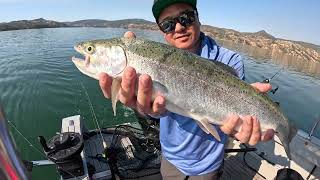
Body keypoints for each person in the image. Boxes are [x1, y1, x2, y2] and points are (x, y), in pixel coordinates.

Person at [99, 0, 275, 179]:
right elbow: (158, 109)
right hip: (170, 158)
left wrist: (248, 112)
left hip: (208, 163)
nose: (178, 28)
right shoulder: (154, 59)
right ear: (162, 32)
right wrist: (143, 108)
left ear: (198, 18)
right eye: (167, 24)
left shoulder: (229, 60)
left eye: (186, 18)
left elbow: (233, 116)